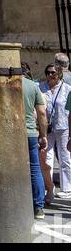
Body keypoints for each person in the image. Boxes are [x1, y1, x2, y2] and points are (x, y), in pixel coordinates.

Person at [23, 65, 49, 217]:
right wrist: (43, 134)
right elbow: (41, 113)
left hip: (12, 134)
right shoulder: (33, 86)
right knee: (35, 169)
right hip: (31, 133)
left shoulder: (7, 84)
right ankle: (38, 207)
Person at [43, 61, 71, 192]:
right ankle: (48, 187)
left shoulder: (67, 88)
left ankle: (67, 188)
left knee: (65, 158)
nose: (50, 75)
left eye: (53, 72)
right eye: (48, 72)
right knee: (47, 157)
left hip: (63, 126)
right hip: (47, 127)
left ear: (59, 74)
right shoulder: (41, 87)